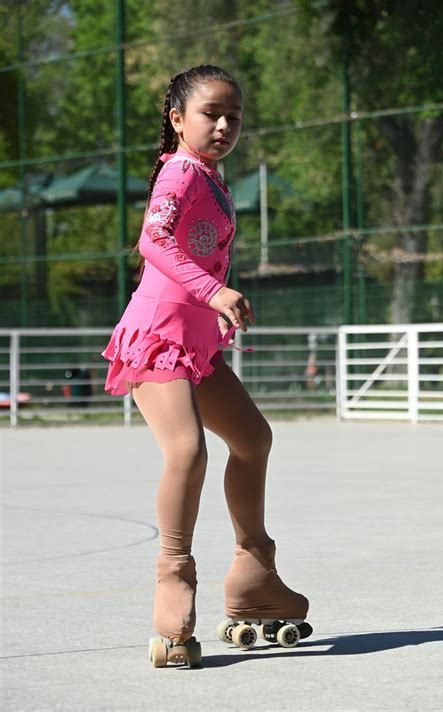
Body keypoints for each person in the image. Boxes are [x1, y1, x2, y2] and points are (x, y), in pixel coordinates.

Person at [101, 65, 311, 668]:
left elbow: (200, 251)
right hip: (156, 339)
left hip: (195, 344)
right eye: (209, 114)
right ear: (177, 121)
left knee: (252, 439)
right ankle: (173, 586)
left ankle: (254, 575)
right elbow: (155, 241)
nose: (223, 125)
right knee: (188, 450)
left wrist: (214, 307)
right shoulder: (179, 171)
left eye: (234, 116)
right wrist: (215, 293)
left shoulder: (212, 178)